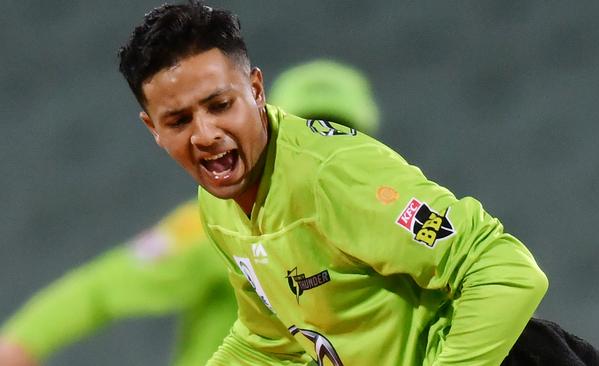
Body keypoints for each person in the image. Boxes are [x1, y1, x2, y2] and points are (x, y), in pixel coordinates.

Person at [116, 2, 561, 365]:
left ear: (255, 89)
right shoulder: (218, 203)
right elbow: (269, 339)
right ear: (152, 128)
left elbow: (505, 271)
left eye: (219, 104)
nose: (205, 133)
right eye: (178, 120)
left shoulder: (333, 176)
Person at [0, 59, 380, 366]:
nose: (316, 149)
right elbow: (104, 287)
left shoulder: (386, 230)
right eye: (305, 130)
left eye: (337, 133)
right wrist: (23, 342)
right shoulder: (219, 220)